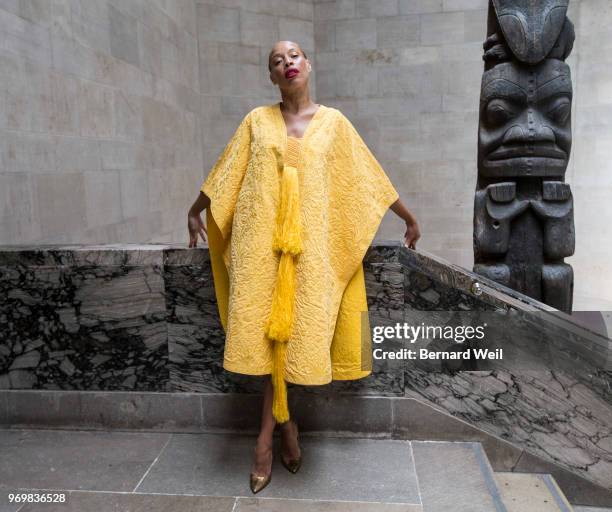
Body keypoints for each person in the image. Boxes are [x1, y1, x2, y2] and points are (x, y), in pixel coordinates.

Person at [187, 40, 421, 494]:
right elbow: (225, 174)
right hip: (262, 255)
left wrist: (408, 217)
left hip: (311, 255)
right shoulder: (257, 121)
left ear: (308, 65)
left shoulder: (334, 125)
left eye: (293, 55)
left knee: (295, 343)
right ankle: (282, 430)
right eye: (277, 60)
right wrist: (195, 209)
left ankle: (267, 439)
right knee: (266, 341)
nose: (287, 63)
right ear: (271, 77)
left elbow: (368, 179)